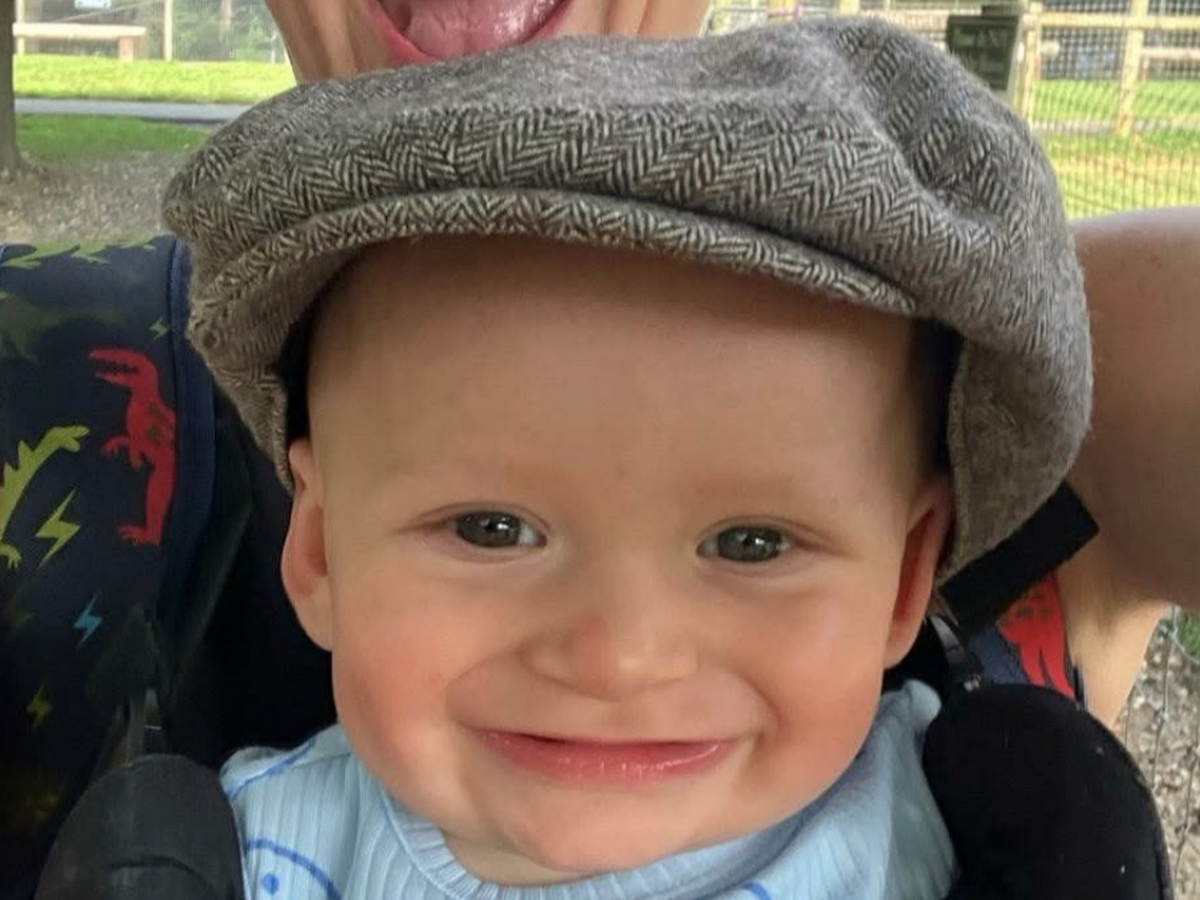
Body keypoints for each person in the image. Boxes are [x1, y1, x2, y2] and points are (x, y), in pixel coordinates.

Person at [156, 16, 1094, 898]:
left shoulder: (958, 827)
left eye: (753, 544)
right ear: (321, 548)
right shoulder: (242, 858)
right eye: (491, 530)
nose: (619, 659)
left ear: (902, 582)